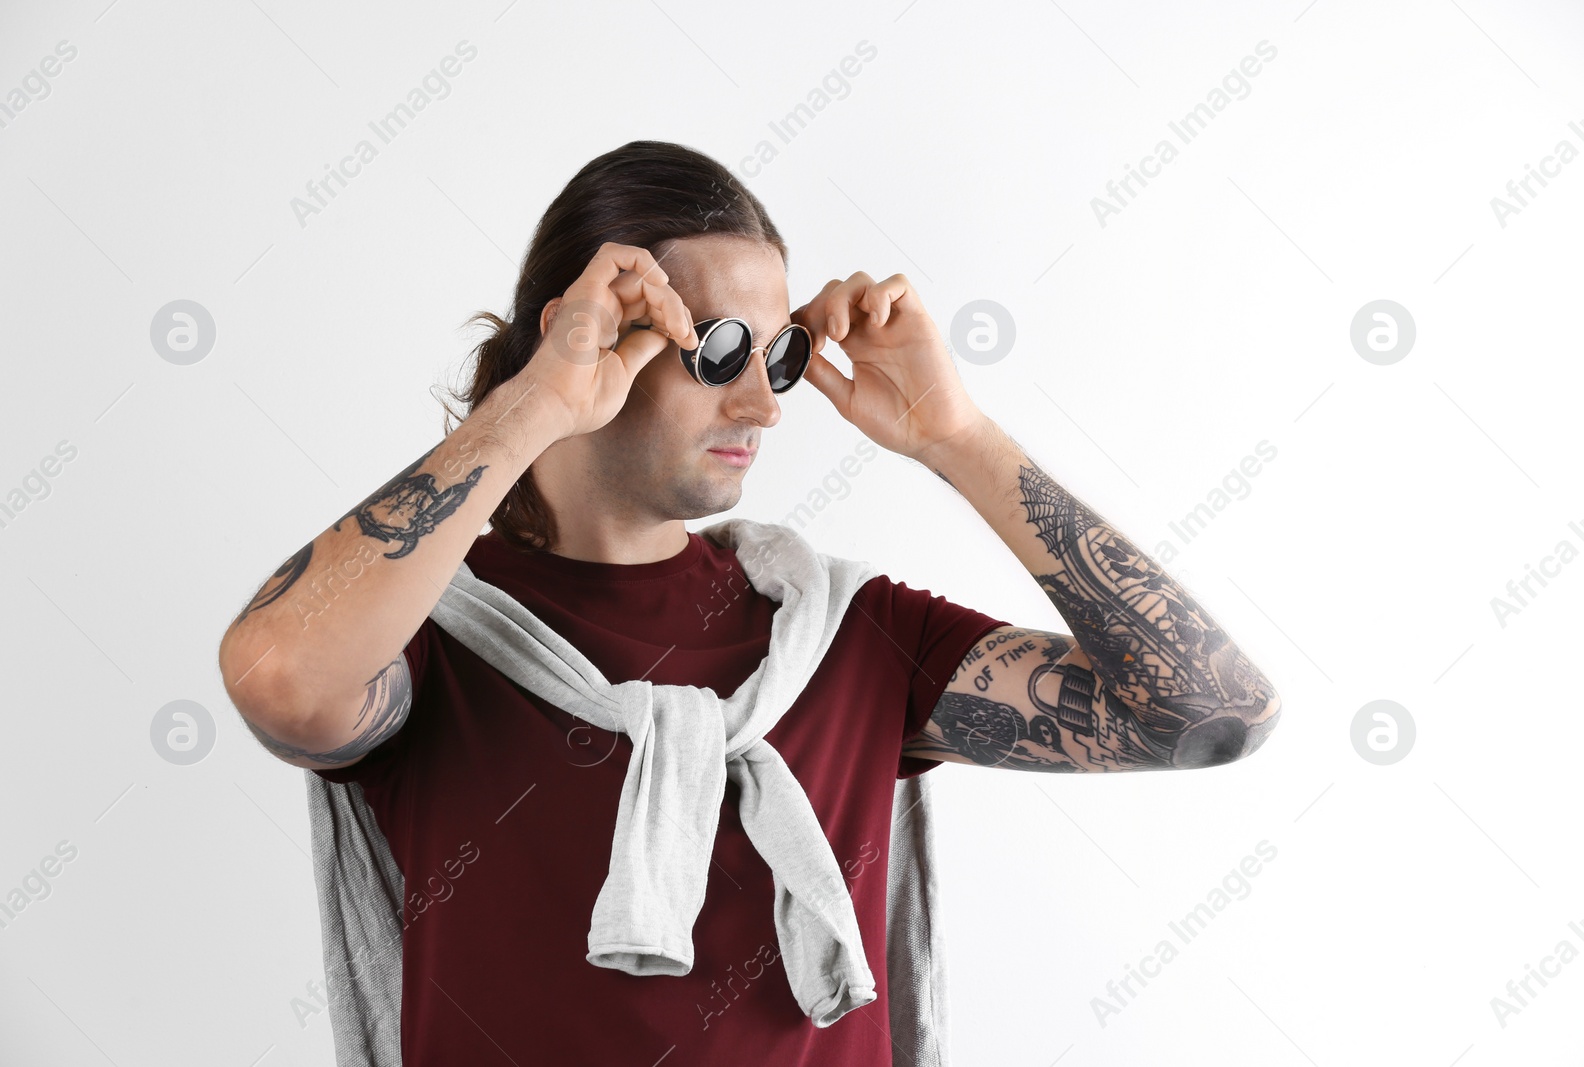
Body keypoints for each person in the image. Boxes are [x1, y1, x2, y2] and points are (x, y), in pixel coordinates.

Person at [217, 140, 1282, 1065]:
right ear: (581, 333)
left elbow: (1209, 713)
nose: (765, 400)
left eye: (778, 353)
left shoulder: (843, 633)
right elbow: (279, 677)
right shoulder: (425, 634)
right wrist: (534, 401)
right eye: (720, 349)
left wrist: (955, 437)